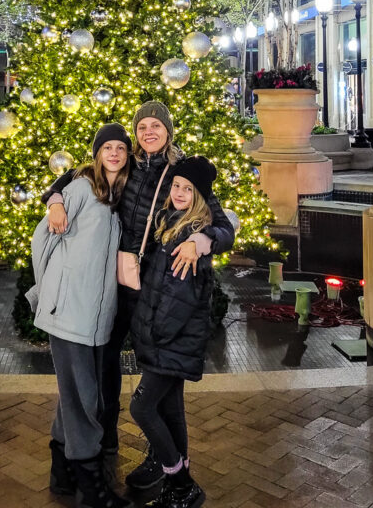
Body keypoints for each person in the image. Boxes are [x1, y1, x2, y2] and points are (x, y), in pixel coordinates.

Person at [43, 101, 235, 490]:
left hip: (156, 289)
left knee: (160, 377)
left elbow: (224, 225)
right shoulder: (125, 163)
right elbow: (68, 178)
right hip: (117, 282)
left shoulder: (179, 171)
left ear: (168, 130)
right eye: (142, 126)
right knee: (104, 364)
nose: (149, 132)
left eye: (156, 126)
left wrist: (202, 239)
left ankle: (162, 459)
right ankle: (105, 437)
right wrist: (55, 200)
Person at [31, 123, 134, 508]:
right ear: (96, 153)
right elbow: (42, 241)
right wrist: (51, 291)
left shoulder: (122, 195)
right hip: (70, 312)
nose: (113, 153)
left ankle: (62, 473)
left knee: (74, 396)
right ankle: (91, 490)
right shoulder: (77, 189)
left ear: (127, 155)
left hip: (98, 316)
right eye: (106, 147)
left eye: (120, 148)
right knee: (84, 398)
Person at [129, 156, 219, 508]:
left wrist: (155, 334)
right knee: (171, 409)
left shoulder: (190, 236)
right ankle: (178, 486)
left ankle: (180, 482)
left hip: (170, 340)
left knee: (142, 407)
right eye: (177, 186)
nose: (180, 192)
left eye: (188, 189)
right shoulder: (171, 221)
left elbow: (179, 297)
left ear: (200, 196)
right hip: (168, 339)